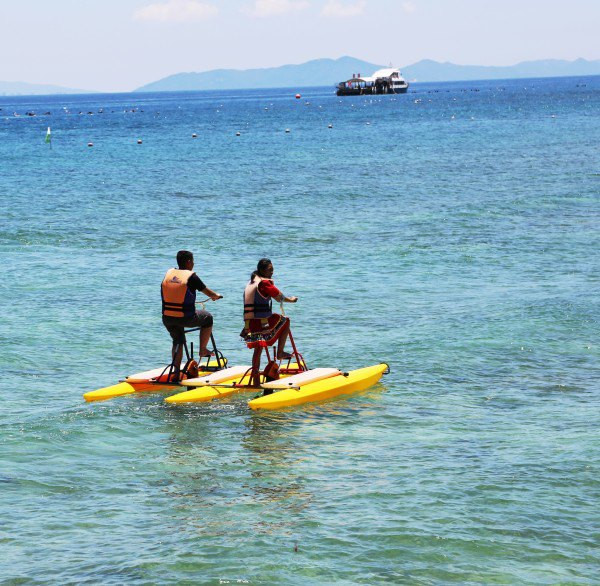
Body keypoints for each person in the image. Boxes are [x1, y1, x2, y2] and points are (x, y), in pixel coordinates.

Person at [161, 250, 222, 375]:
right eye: (193, 261)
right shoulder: (191, 276)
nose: (193, 264)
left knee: (177, 341)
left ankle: (176, 371)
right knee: (208, 318)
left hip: (167, 318)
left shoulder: (169, 274)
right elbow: (209, 293)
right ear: (189, 262)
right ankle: (203, 350)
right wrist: (216, 296)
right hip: (185, 317)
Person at [241, 258, 298, 360]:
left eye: (273, 270)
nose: (272, 272)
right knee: (286, 321)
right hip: (263, 324)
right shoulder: (265, 283)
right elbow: (280, 297)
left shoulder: (252, 282)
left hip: (249, 325)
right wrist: (292, 300)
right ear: (262, 271)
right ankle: (280, 353)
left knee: (258, 349)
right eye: (270, 270)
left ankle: (255, 373)